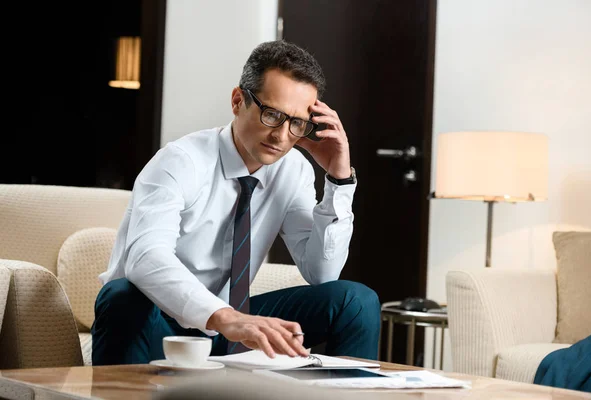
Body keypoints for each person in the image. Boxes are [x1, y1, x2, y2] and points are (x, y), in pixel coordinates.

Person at [91, 40, 380, 366]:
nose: (282, 136)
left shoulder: (293, 169)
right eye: (272, 114)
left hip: (229, 325)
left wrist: (339, 179)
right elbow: (144, 258)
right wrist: (224, 317)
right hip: (161, 320)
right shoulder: (181, 160)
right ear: (237, 100)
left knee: (355, 300)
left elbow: (322, 273)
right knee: (123, 296)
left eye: (297, 123)